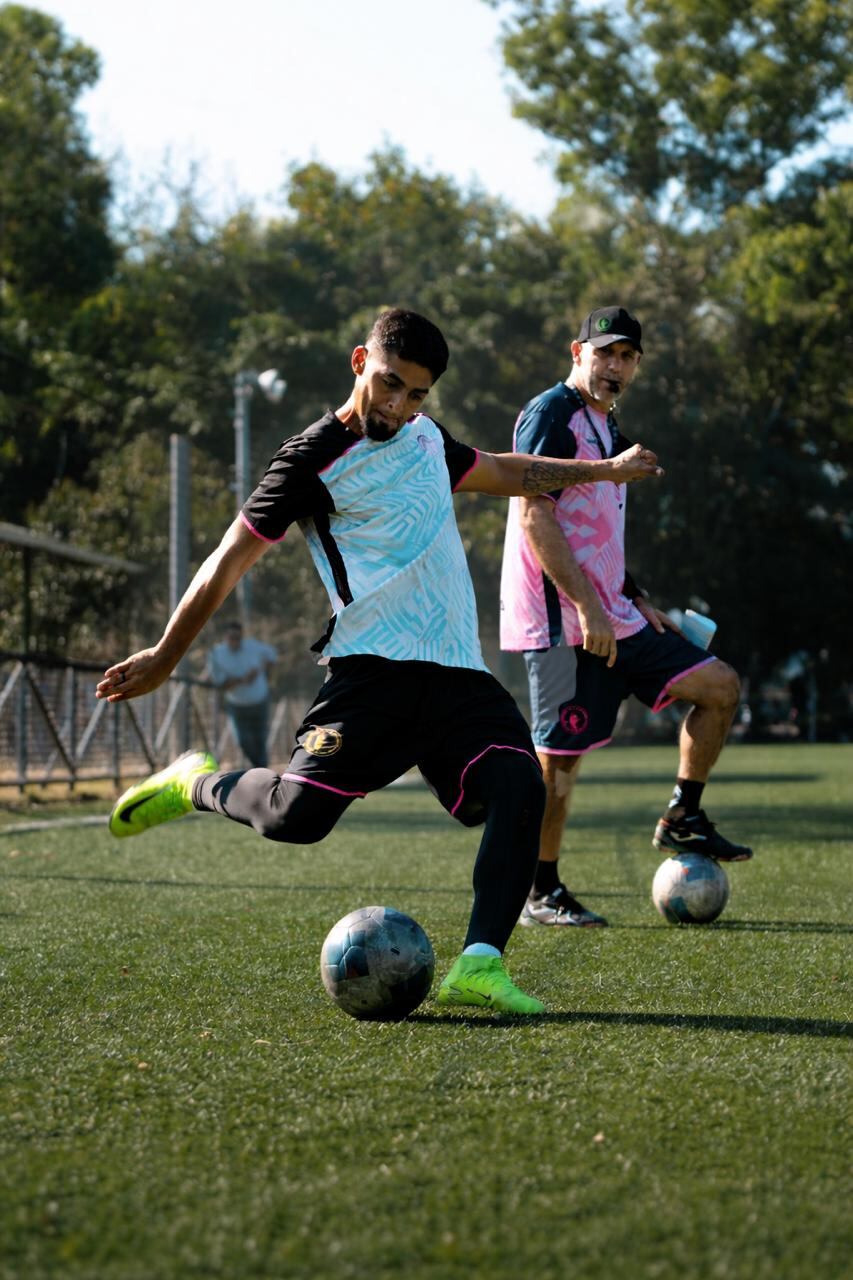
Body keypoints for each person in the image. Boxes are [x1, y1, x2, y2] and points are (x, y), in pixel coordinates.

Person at [96, 308, 661, 1015]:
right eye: (390, 384)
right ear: (360, 361)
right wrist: (163, 656)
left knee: (521, 784)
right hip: (371, 670)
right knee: (293, 818)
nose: (397, 407)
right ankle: (195, 785)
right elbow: (224, 563)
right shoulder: (307, 459)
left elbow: (507, 470)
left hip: (455, 671)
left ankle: (480, 964)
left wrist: (603, 469)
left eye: (416, 394)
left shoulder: (426, 440)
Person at [500, 305, 752, 931]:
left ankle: (682, 814)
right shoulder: (551, 414)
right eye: (605, 352)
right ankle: (540, 890)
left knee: (718, 686)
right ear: (576, 352)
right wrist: (588, 607)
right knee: (557, 764)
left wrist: (634, 596)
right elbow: (535, 515)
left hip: (617, 615)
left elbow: (598, 531)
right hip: (564, 625)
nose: (615, 366)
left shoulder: (608, 428)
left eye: (628, 356)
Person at [207, 620, 277, 767]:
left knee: (260, 740)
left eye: (238, 637)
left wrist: (261, 669)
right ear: (225, 637)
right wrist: (242, 680)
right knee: (243, 741)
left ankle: (262, 772)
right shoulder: (216, 654)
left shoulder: (253, 646)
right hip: (237, 705)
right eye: (232, 637)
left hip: (260, 701)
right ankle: (258, 767)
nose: (235, 641)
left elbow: (272, 656)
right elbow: (221, 684)